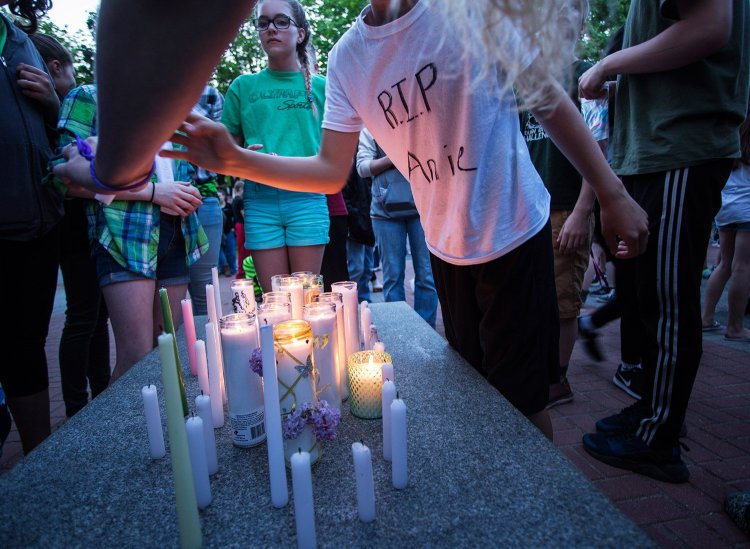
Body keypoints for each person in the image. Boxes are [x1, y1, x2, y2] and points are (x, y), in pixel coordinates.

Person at [162, 0, 648, 441]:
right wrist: (235, 161)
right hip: (446, 247)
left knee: (524, 406)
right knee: (476, 395)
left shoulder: (466, 11)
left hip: (515, 231)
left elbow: (546, 99)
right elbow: (332, 171)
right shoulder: (348, 58)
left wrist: (611, 192)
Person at [579, 0, 749, 482]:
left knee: (670, 299)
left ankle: (658, 437)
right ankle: (652, 408)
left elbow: (710, 27)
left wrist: (609, 62)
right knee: (649, 296)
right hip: (659, 148)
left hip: (680, 145)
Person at [57, 84, 207, 381]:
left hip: (177, 233)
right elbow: (63, 178)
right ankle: (118, 428)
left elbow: (175, 174)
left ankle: (163, 427)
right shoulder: (88, 96)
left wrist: (187, 193)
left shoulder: (173, 102)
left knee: (166, 349)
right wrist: (152, 193)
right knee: (136, 356)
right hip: (124, 236)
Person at [30, 32, 112, 418]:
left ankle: (100, 395)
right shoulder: (77, 100)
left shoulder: (53, 104)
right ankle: (78, 407)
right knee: (83, 315)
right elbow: (61, 172)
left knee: (97, 316)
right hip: (74, 224)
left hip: (91, 222)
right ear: (54, 67)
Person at [220, 0, 328, 293]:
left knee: (307, 300)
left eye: (281, 21)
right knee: (275, 302)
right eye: (263, 22)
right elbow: (223, 153)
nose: (271, 29)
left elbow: (337, 153)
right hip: (260, 203)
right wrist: (239, 157)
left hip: (307, 200)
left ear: (301, 33)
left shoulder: (322, 87)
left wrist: (289, 164)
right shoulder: (242, 87)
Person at [0, 0, 64, 454]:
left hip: (35, 220)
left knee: (26, 343)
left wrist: (52, 101)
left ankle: (37, 457)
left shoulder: (18, 38)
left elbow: (56, 129)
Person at [357, 128, 438, 327]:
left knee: (427, 276)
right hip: (385, 213)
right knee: (392, 277)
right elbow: (362, 168)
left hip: (423, 206)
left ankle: (425, 332)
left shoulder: (419, 121)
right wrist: (394, 158)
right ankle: (399, 332)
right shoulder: (371, 127)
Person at [176, 85, 226, 316]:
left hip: (204, 198)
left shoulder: (209, 94)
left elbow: (224, 150)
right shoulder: (143, 90)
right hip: (153, 199)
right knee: (167, 296)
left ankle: (209, 350)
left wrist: (242, 154)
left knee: (206, 292)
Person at [702, 110, 750, 342]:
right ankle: (735, 326)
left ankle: (706, 317)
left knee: (724, 265)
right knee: (743, 267)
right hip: (747, 206)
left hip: (726, 204)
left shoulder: (729, 135)